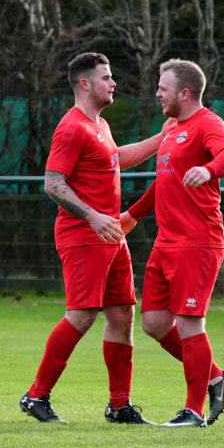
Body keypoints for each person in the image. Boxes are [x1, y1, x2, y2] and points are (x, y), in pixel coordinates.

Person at [19, 52, 166, 425]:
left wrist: (161, 138)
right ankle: (36, 395)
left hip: (110, 234)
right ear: (84, 84)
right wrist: (93, 216)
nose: (113, 83)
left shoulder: (99, 125)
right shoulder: (71, 127)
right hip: (83, 234)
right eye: (106, 77)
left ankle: (119, 406)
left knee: (122, 314)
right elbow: (53, 184)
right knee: (82, 314)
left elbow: (115, 157)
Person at [120, 59, 224, 427]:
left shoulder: (209, 123)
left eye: (163, 88)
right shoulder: (171, 128)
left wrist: (208, 169)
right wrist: (133, 215)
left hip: (198, 242)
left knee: (189, 324)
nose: (158, 93)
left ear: (184, 93)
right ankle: (216, 377)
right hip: (166, 242)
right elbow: (164, 180)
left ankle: (194, 411)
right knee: (155, 324)